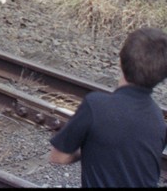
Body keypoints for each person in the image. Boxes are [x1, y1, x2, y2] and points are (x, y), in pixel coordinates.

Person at [48, 26, 167, 188]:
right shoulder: (157, 119)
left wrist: (89, 149)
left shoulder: (95, 105)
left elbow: (58, 157)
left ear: (120, 61)